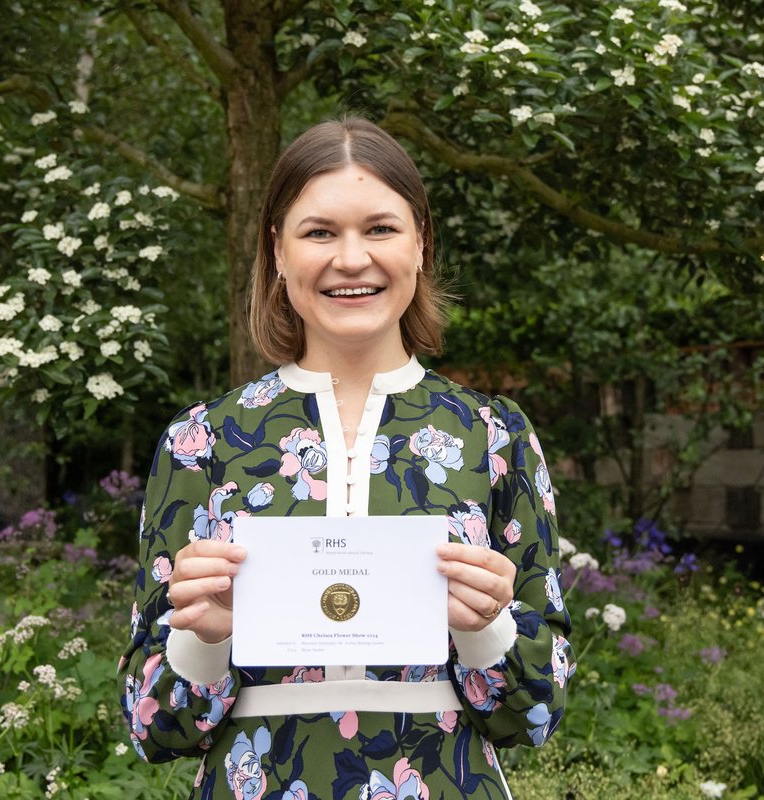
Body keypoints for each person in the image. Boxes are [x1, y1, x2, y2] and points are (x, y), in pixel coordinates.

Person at [120, 117, 574, 800]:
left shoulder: (494, 435)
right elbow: (152, 727)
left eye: (381, 229)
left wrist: (486, 631)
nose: (352, 258)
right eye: (320, 232)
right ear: (277, 249)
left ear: (421, 243)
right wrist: (206, 639)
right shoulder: (202, 441)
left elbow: (536, 714)